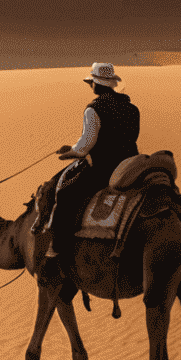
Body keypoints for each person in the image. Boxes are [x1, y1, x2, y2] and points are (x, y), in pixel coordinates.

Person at [49, 62, 141, 276]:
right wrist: (76, 148)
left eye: (91, 83)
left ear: (96, 85)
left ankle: (56, 252)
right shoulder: (132, 108)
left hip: (105, 169)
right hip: (131, 167)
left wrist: (71, 152)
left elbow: (85, 146)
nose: (91, 86)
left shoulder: (94, 108)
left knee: (65, 194)